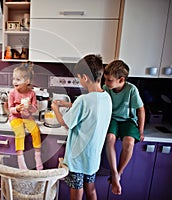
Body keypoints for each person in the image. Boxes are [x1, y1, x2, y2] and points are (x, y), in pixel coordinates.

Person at [51, 54, 112, 200]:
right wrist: (67, 104)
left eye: (78, 77)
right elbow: (91, 109)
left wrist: (55, 108)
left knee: (76, 191)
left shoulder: (83, 100)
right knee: (90, 190)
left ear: (85, 77)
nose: (79, 80)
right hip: (92, 157)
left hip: (77, 159)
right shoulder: (106, 97)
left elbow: (65, 123)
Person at [103, 60, 145, 195]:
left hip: (128, 120)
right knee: (110, 138)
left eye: (109, 80)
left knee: (129, 142)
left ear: (121, 80)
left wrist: (141, 130)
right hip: (113, 119)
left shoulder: (131, 89)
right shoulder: (106, 88)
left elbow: (141, 110)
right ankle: (114, 172)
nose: (106, 83)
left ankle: (118, 173)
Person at [8, 63, 43, 170]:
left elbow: (35, 109)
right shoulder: (12, 93)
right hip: (15, 118)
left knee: (35, 130)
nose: (14, 82)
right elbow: (11, 109)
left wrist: (30, 107)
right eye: (14, 79)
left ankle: (38, 156)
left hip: (27, 117)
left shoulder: (32, 93)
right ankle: (20, 159)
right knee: (20, 133)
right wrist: (17, 109)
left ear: (27, 82)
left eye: (18, 79)